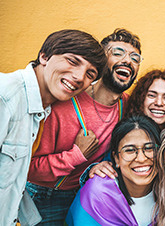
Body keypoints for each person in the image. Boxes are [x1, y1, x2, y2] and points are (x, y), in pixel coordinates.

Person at [26, 28, 142, 225]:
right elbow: (30, 168)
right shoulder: (63, 103)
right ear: (100, 62)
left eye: (135, 58)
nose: (128, 61)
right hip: (45, 197)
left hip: (87, 192)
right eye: (117, 53)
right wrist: (77, 154)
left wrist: (94, 167)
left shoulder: (128, 104)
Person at [0, 29, 106, 226]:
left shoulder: (45, 109)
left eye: (90, 74)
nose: (79, 76)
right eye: (73, 61)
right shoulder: (5, 96)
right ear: (44, 56)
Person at [65, 114, 160, 226]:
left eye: (149, 148)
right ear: (116, 158)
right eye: (130, 150)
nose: (141, 158)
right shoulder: (96, 195)